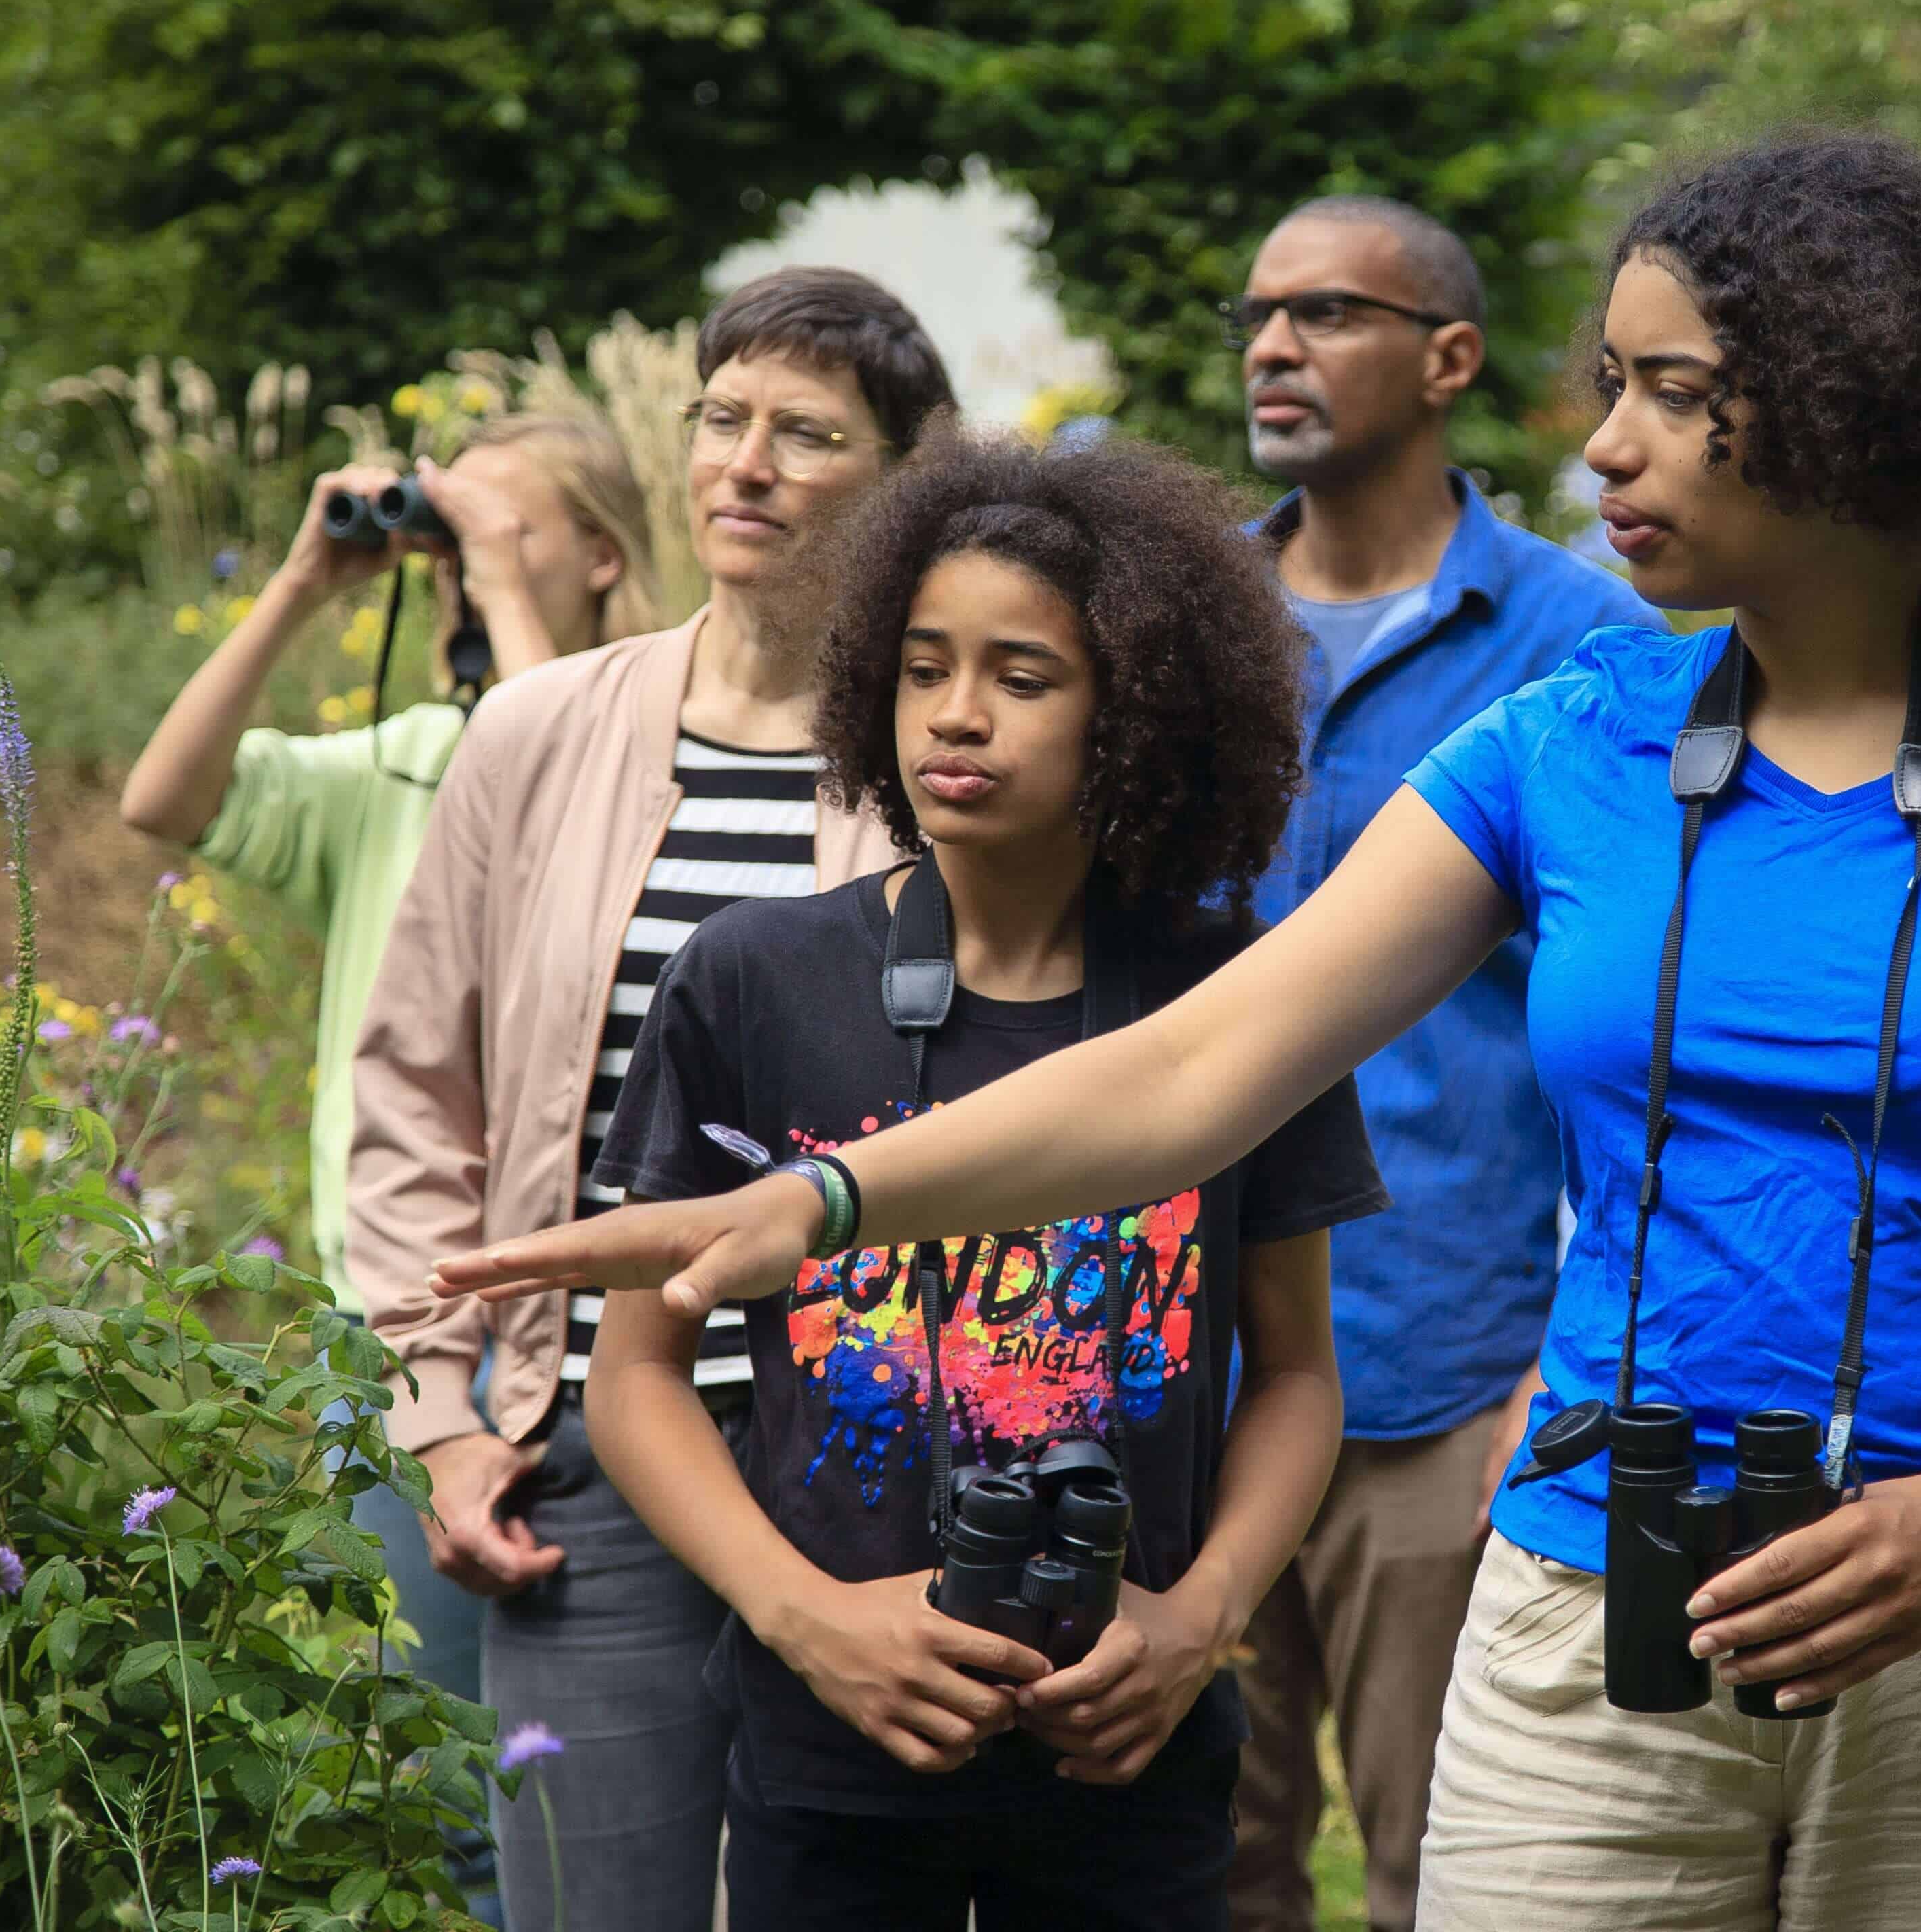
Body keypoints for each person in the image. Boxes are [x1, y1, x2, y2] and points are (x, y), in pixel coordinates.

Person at [432, 131, 1921, 1932]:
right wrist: (834, 1203)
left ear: (1855, 394)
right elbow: (1197, 1068)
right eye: (1607, 380)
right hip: (1601, 1613)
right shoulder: (1570, 741)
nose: (1604, 446)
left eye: (1669, 393)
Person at [574, 426, 1389, 1929]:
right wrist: (805, 1616)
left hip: (1122, 1749)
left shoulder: (1235, 1004)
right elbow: (636, 1373)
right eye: (923, 666)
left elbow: (1296, 1373)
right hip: (836, 1745)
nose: (957, 715)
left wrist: (1194, 1621)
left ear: (1135, 710)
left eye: (1024, 678)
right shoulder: (752, 977)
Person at [349, 268, 952, 1932]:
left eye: (808, 434)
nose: (746, 464)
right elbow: (417, 1090)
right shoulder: (540, 731)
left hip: (873, 1453)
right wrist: (445, 1415)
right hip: (593, 1448)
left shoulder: (946, 750)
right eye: (723, 420)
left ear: (903, 476)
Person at [1223, 194, 1661, 1932]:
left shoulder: (1587, 647)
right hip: (1184, 1368)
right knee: (1193, 1873)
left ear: (1450, 359)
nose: (1272, 344)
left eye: (1327, 312)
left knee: (1456, 1871)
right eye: (1260, 313)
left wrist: (1555, 1371)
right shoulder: (1184, 625)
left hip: (1448, 1369)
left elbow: (1637, 1054)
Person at [119, 410, 666, 1774]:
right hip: (407, 1321)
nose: (460, 561)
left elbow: (567, 809)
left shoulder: (663, 751)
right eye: (451, 533)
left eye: (512, 528)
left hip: (605, 1329)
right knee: (439, 1770)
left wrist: (487, 565)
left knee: (605, 1769)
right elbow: (162, 799)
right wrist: (305, 581)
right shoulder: (407, 758)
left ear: (603, 555)